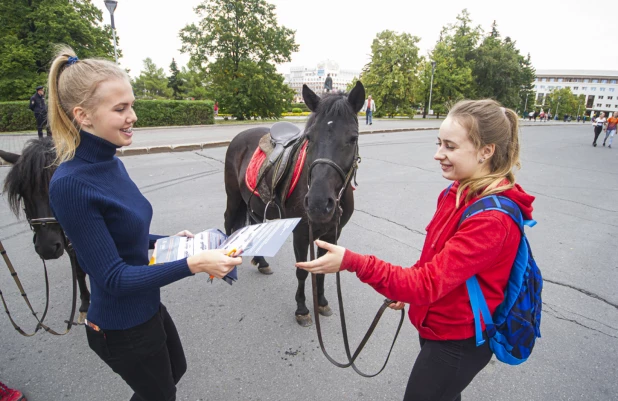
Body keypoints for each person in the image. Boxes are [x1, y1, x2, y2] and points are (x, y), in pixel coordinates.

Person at [297, 99, 534, 401]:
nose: (438, 155)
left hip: (457, 342)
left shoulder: (492, 219)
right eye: (439, 143)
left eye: (450, 146)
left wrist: (351, 261)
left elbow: (428, 283)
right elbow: (435, 263)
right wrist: (402, 289)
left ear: (486, 151)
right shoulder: (457, 191)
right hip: (438, 327)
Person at [46, 47, 242, 401]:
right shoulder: (70, 183)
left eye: (131, 105)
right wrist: (193, 263)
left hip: (147, 307)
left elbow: (121, 231)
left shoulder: (112, 162)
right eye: (120, 109)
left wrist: (167, 241)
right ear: (83, 116)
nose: (132, 116)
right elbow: (112, 277)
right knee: (160, 395)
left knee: (175, 373)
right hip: (121, 326)